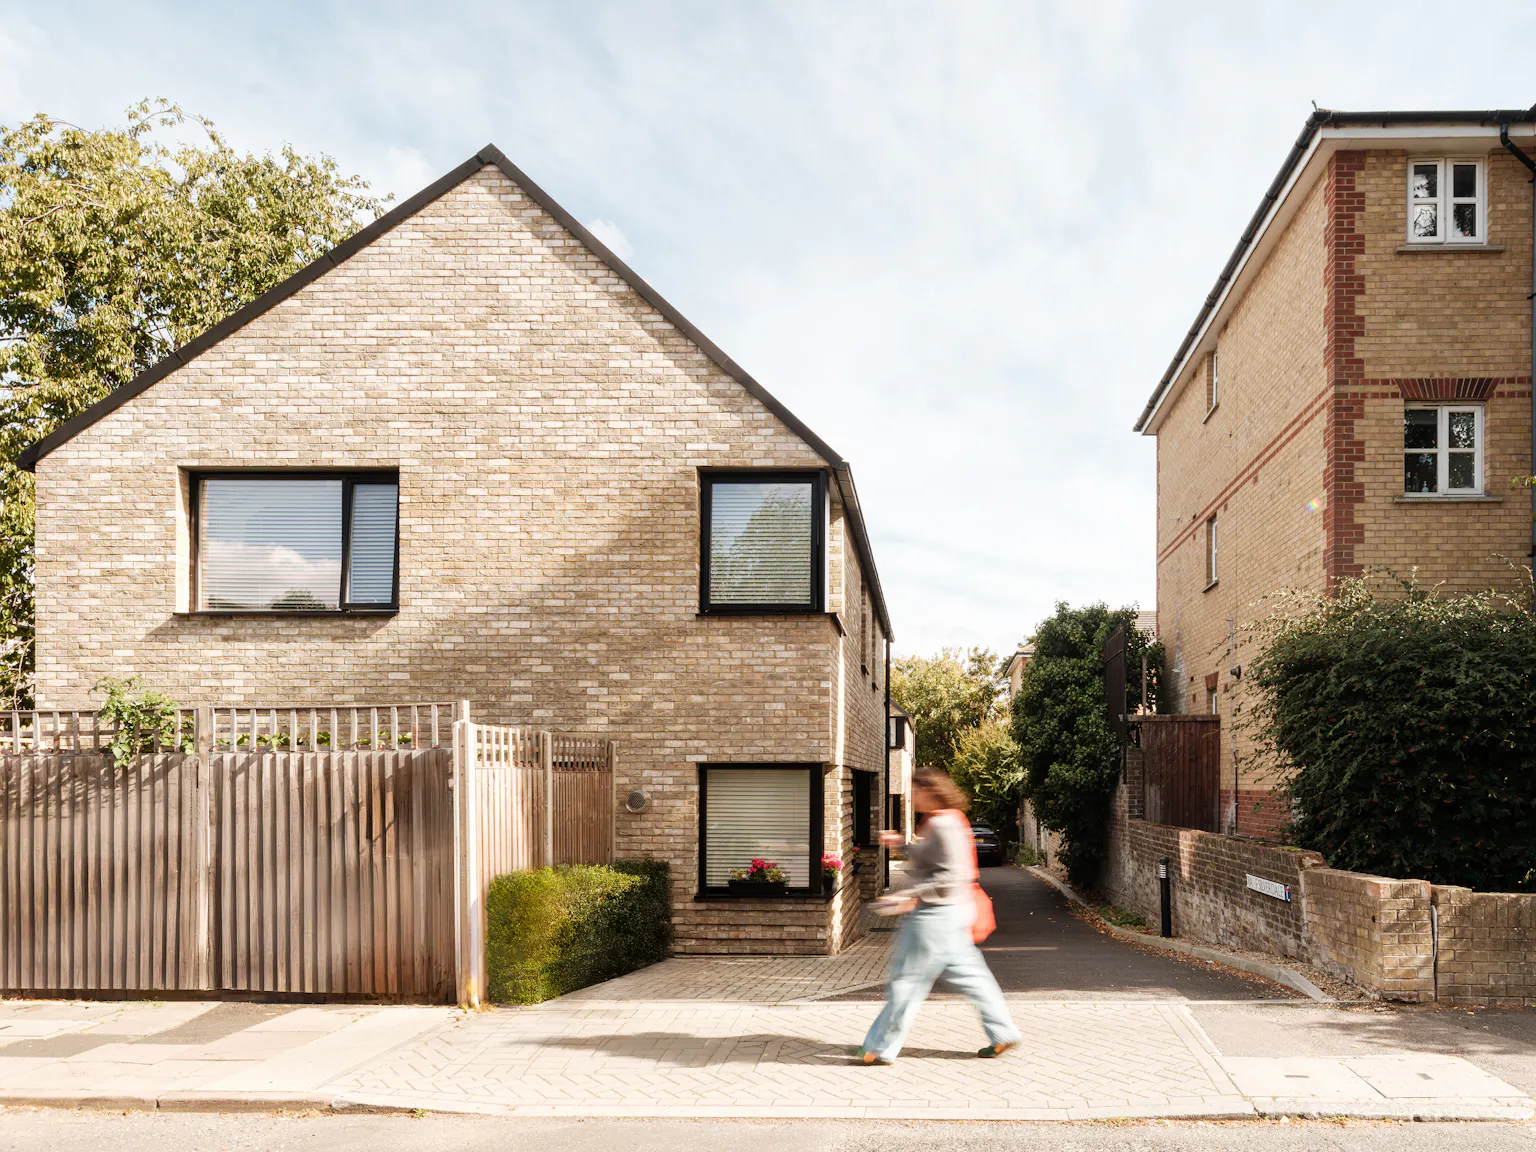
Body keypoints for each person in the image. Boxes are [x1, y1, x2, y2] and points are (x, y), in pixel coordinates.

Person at [851, 766, 1020, 1065]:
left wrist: (911, 895)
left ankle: (879, 1047)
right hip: (952, 914)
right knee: (972, 977)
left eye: (915, 790)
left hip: (934, 917)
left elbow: (952, 875)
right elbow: (934, 862)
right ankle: (1003, 1032)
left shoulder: (943, 824)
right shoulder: (948, 820)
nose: (912, 796)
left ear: (929, 791)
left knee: (907, 980)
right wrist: (900, 845)